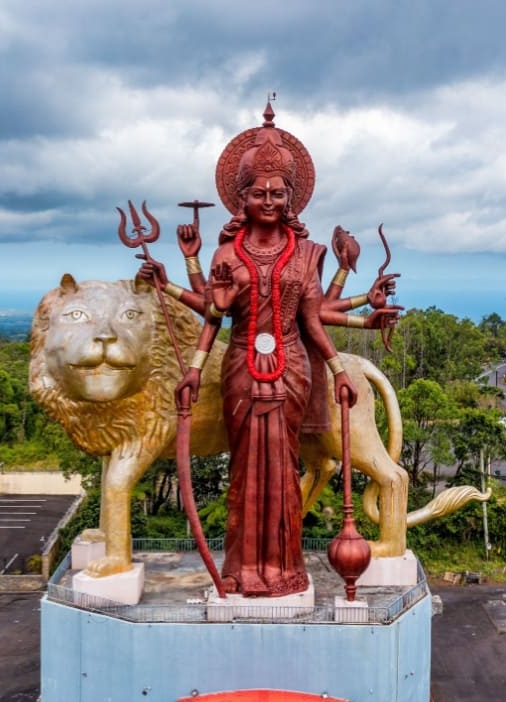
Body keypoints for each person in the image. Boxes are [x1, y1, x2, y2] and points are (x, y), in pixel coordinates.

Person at [138, 106, 395, 597]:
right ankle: (240, 569)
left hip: (293, 367)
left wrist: (339, 369)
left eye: (278, 193)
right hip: (239, 366)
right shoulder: (226, 255)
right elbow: (214, 315)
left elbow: (313, 318)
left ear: (292, 197)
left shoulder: (309, 253)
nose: (270, 200)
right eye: (259, 193)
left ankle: (284, 569)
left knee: (282, 467)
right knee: (244, 469)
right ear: (242, 198)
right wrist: (193, 369)